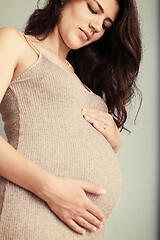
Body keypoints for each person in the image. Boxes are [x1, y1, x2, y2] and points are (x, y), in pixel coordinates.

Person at [0, 0, 142, 239]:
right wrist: (50, 189)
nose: (97, 25)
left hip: (87, 229)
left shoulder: (82, 81)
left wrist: (114, 141)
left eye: (106, 24)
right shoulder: (16, 43)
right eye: (93, 8)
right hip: (31, 214)